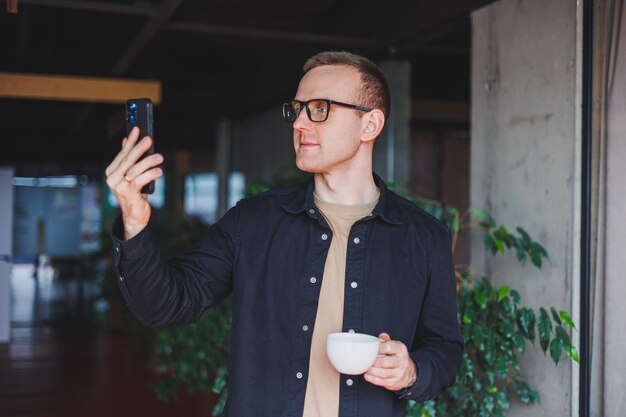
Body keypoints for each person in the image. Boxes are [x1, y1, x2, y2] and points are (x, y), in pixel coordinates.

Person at [105, 51, 463, 417]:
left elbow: (445, 349)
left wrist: (411, 371)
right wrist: (134, 219)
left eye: (320, 108)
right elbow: (165, 303)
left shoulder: (424, 237)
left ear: (369, 125)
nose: (299, 123)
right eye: (298, 109)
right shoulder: (253, 222)